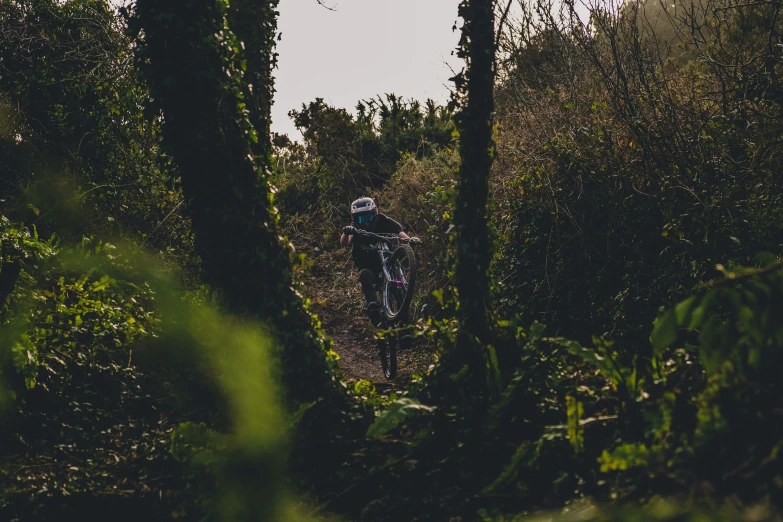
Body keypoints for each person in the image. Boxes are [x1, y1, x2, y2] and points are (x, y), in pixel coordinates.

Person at [339, 197, 411, 328]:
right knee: (364, 274)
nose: (365, 223)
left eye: (369, 218)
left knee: (398, 289)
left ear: (375, 214)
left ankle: (405, 327)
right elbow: (345, 243)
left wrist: (410, 240)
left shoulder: (384, 221)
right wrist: (345, 232)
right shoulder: (354, 227)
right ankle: (373, 307)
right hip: (367, 264)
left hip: (388, 263)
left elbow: (400, 233)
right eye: (361, 219)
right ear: (355, 219)